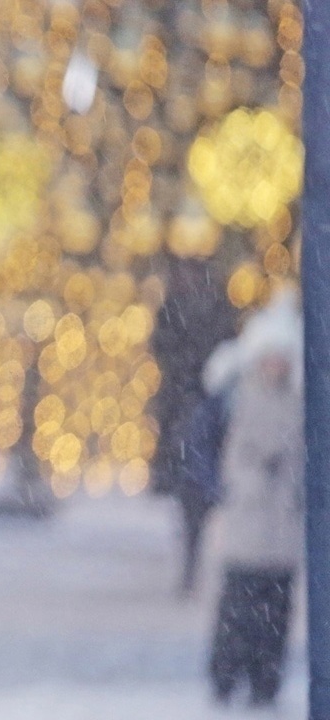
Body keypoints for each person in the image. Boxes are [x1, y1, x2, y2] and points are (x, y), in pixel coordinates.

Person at [204, 289, 303, 707]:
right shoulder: (236, 396)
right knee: (238, 610)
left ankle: (265, 682)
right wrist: (234, 485)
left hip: (282, 528)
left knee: (274, 614)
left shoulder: (300, 403)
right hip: (246, 523)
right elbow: (208, 448)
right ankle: (226, 677)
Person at [149, 257, 237, 595]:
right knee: (191, 485)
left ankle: (193, 557)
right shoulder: (183, 307)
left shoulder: (209, 307)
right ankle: (192, 556)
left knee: (196, 482)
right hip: (187, 405)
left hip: (198, 405)